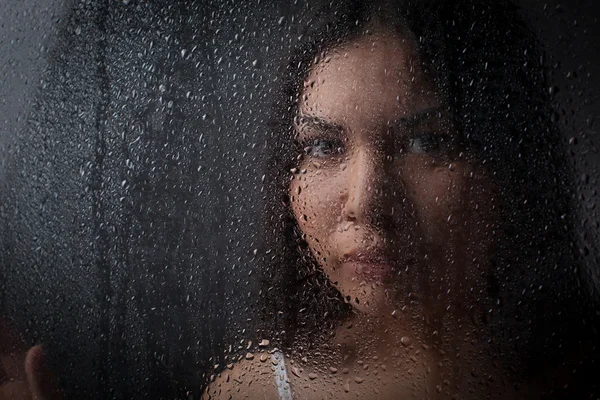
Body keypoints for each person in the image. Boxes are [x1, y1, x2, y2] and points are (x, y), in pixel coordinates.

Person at [203, 0, 598, 399]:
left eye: (426, 143)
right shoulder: (254, 392)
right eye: (323, 146)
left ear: (510, 163)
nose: (366, 204)